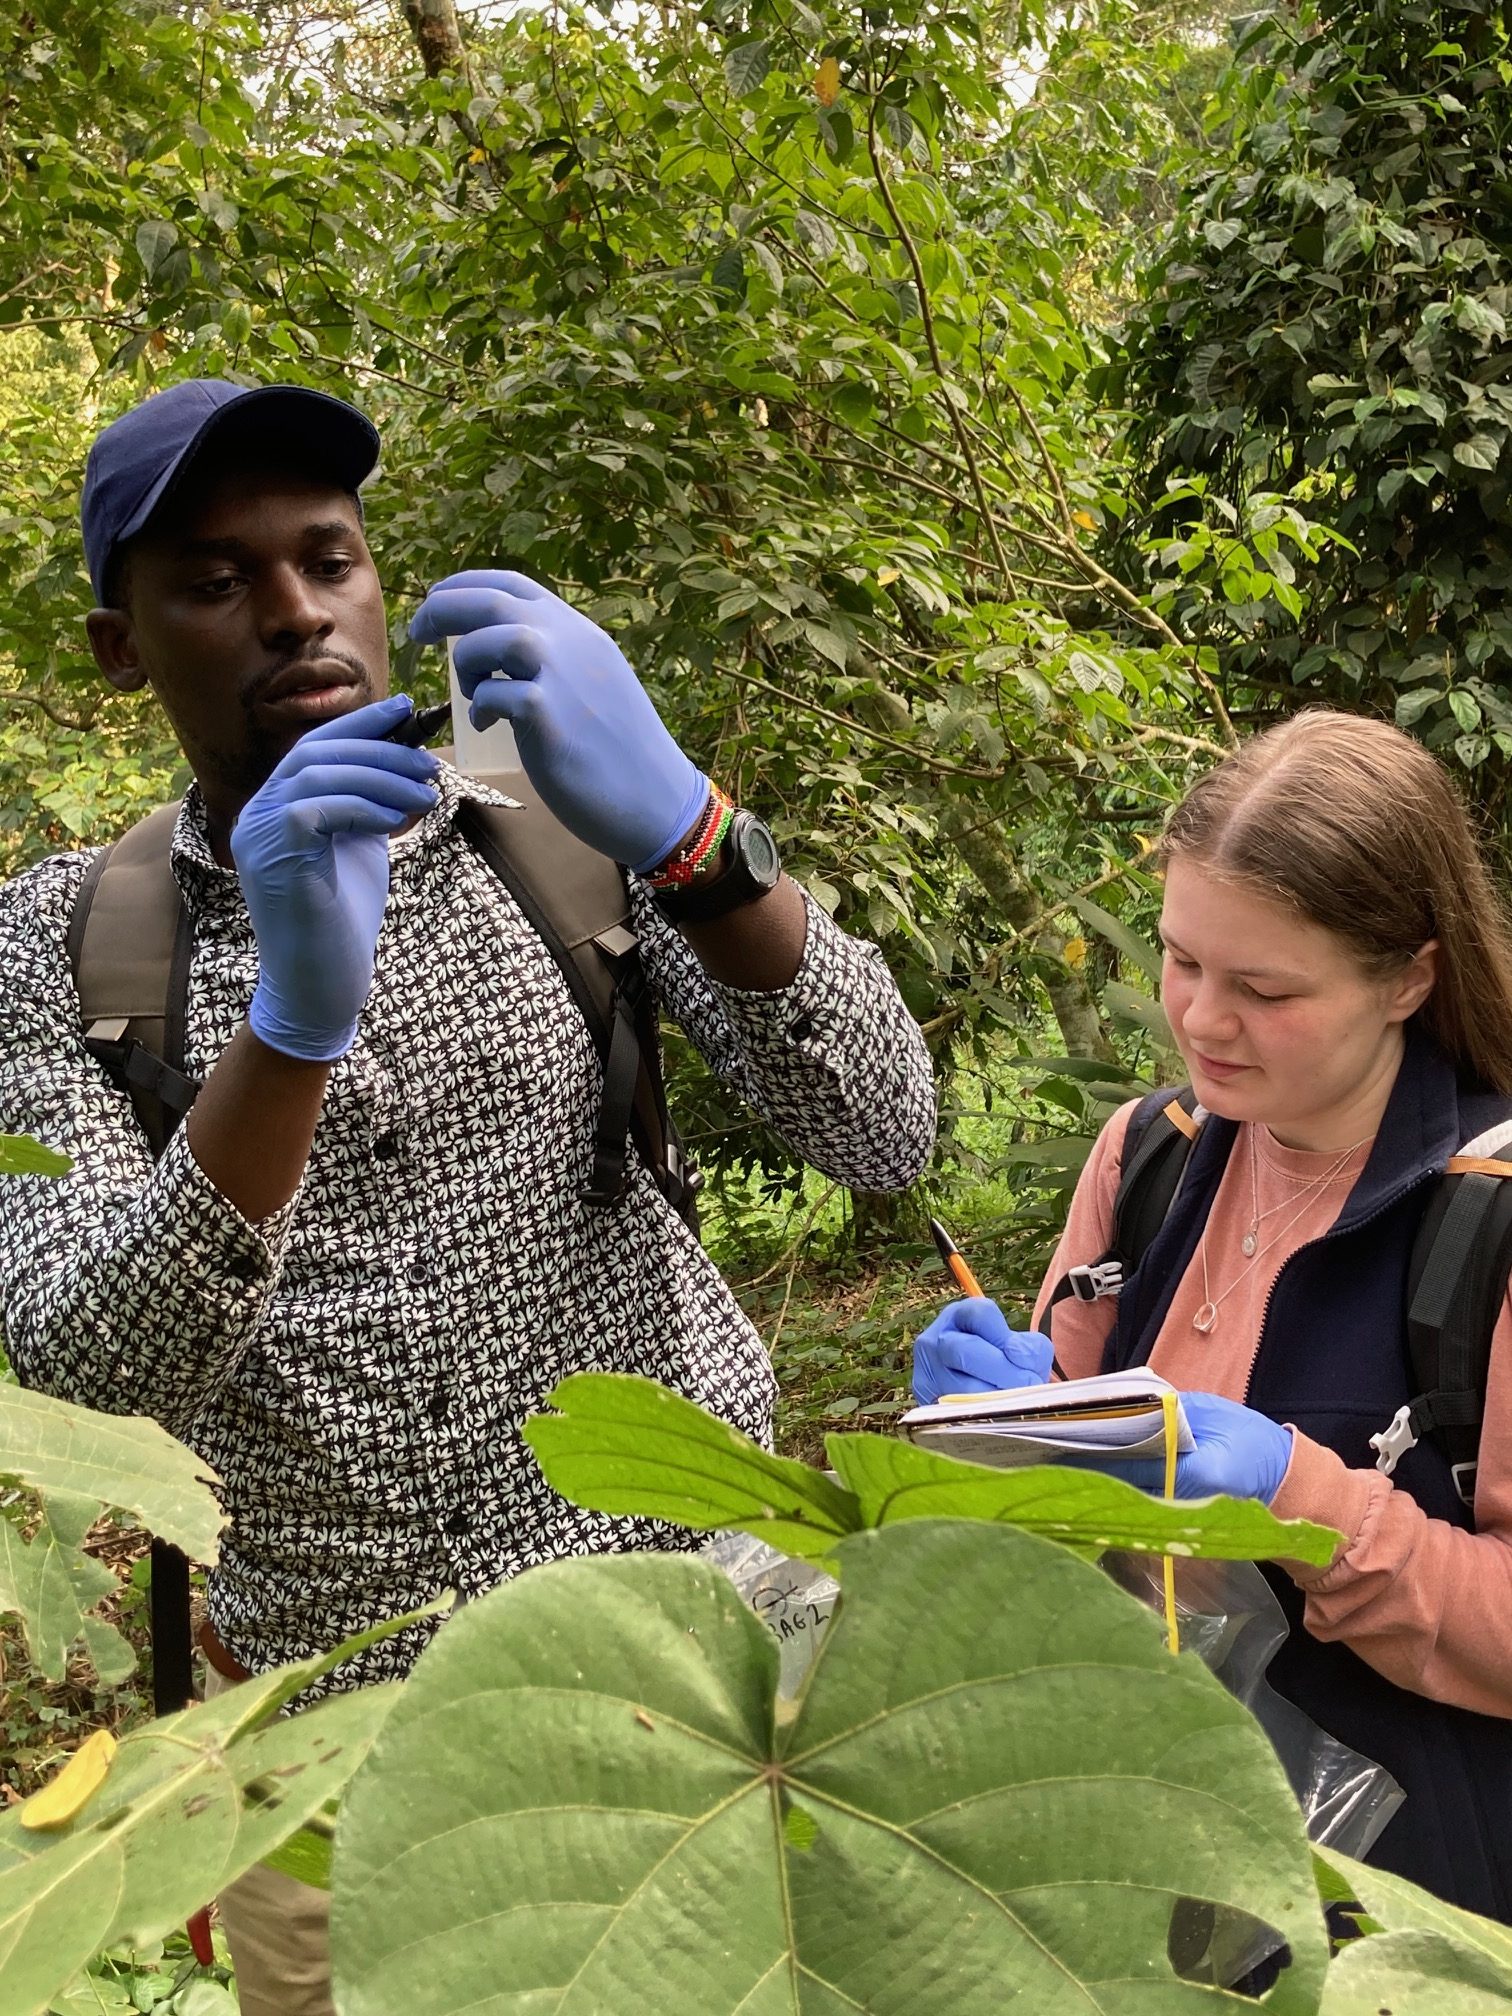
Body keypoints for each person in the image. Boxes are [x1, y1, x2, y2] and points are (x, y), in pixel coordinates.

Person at [0, 378, 936, 2012]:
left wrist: (696, 834)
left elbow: (880, 1132)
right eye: (218, 580)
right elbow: (92, 1380)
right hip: (348, 1757)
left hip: (704, 1654)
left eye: (329, 558)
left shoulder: (563, 830)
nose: (296, 610)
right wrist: (284, 1038)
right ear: (118, 644)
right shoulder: (65, 947)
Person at [912, 710, 1512, 1924]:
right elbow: (1053, 1497)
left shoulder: (1489, 1216)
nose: (1199, 1022)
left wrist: (1305, 1498)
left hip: (1399, 1902)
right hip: (1135, 1836)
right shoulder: (1150, 1155)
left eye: (1265, 987)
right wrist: (993, 1422)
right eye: (1183, 961)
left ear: (1409, 974)